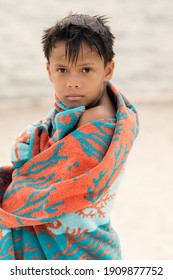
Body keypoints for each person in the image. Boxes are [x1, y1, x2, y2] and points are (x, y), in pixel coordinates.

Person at [0, 13, 139, 260]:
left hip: (76, 247)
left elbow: (55, 187)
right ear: (49, 71)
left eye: (86, 69)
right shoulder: (84, 109)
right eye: (63, 69)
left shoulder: (96, 120)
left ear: (108, 70)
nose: (73, 82)